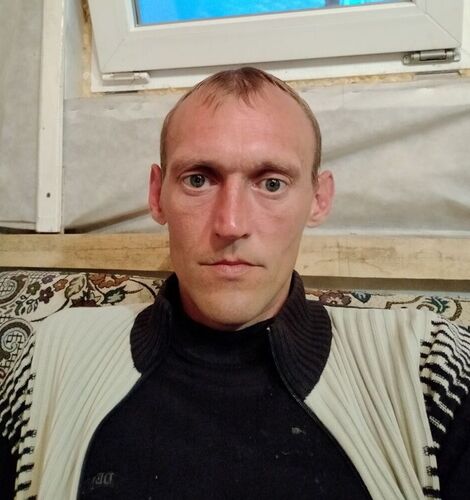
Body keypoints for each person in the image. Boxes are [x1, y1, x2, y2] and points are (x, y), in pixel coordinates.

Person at [1, 67, 469, 499]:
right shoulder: (48, 362)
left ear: (318, 199)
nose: (230, 224)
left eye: (271, 183)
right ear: (156, 195)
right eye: (198, 180)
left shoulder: (428, 364)